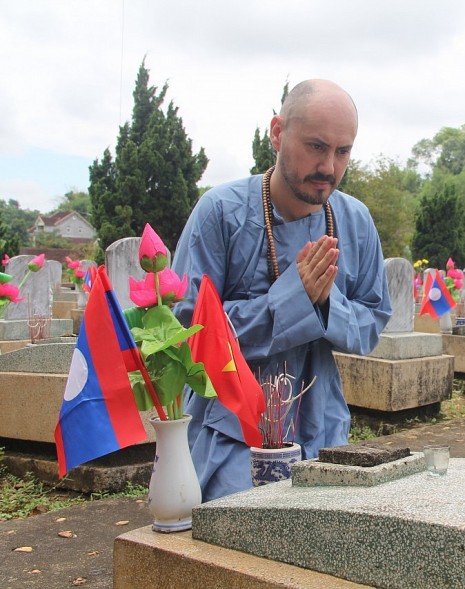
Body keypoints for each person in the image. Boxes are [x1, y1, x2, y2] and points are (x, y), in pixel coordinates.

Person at [172, 79, 392, 501]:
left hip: (321, 422)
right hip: (229, 426)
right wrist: (294, 299)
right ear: (277, 132)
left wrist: (326, 303)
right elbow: (190, 332)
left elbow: (372, 323)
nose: (329, 166)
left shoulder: (355, 221)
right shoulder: (220, 212)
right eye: (315, 146)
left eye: (342, 151)